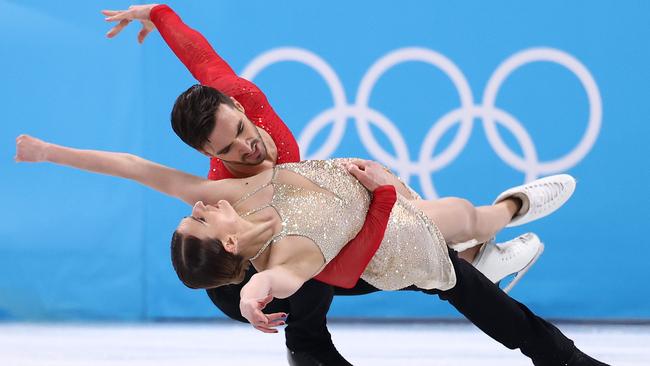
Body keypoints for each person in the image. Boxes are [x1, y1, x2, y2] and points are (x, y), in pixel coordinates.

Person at [99, 4, 544, 364]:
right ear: (212, 157)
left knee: (441, 219)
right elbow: (139, 170)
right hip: (237, 279)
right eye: (229, 150)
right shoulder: (231, 193)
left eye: (240, 129)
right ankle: (314, 342)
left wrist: (159, 14)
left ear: (237, 105)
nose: (247, 148)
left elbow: (203, 59)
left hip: (299, 247)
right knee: (320, 268)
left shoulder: (243, 98)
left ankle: (490, 235)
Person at [15, 134, 607, 365]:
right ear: (224, 241)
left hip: (349, 238)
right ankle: (490, 243)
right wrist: (256, 291)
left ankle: (503, 221)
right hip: (359, 256)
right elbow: (294, 281)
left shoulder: (232, 196)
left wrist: (50, 154)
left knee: (446, 218)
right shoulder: (289, 263)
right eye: (195, 219)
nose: (194, 204)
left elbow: (136, 166)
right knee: (438, 236)